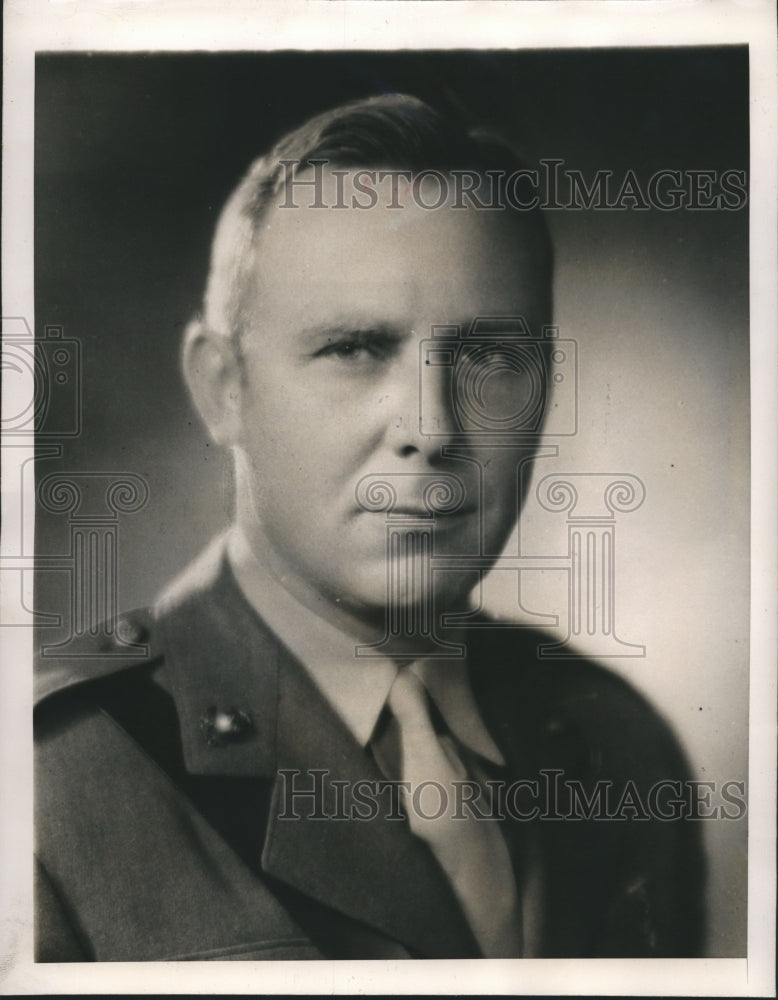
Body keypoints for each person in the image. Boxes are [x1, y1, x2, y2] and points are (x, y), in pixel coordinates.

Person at [34, 93, 704, 961]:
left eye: (489, 355)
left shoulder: (621, 748)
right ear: (222, 388)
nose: (431, 426)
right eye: (355, 348)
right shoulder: (48, 783)